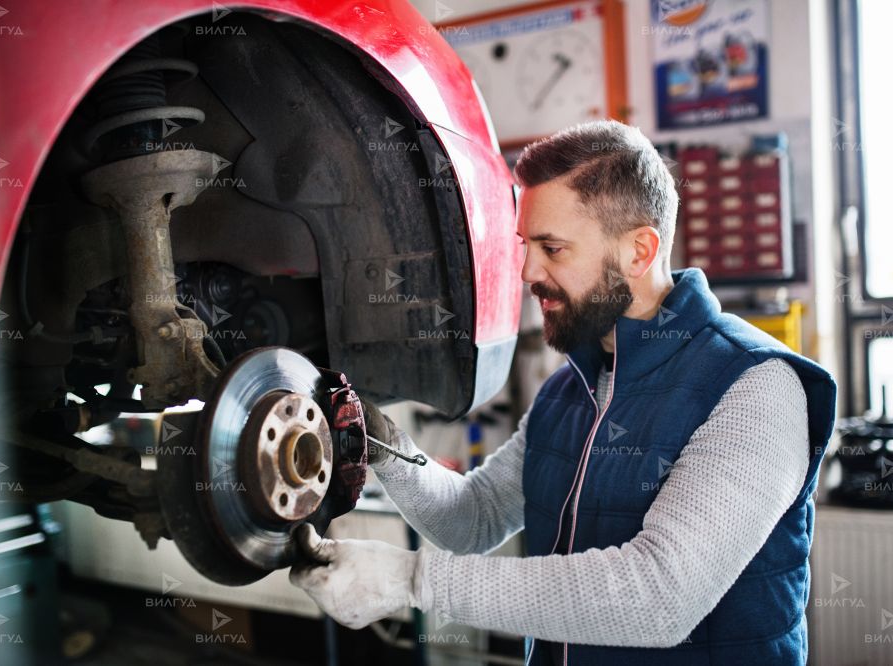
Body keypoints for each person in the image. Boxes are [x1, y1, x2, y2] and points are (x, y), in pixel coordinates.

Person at [290, 120, 837, 665]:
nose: (528, 270)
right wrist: (379, 439)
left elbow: (660, 596)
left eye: (552, 248)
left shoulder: (756, 387)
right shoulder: (571, 389)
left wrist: (411, 579)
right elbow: (473, 519)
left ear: (639, 252)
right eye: (527, 245)